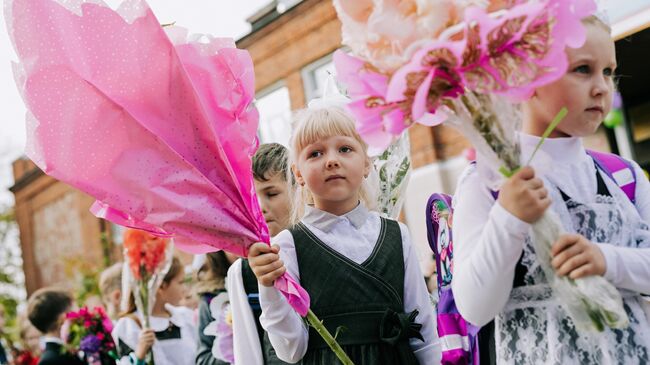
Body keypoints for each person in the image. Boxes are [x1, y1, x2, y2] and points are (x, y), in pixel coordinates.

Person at [452, 15, 650, 364]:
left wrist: (608, 260)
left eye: (608, 71)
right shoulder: (488, 181)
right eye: (583, 69)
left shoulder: (625, 176)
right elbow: (473, 306)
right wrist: (509, 217)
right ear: (527, 78)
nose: (602, 87)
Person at [248, 105, 440, 364]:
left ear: (366, 164)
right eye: (315, 153)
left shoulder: (397, 235)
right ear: (298, 174)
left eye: (345, 149)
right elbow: (290, 349)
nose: (331, 160)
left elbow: (424, 329)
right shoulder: (288, 245)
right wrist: (268, 286)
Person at [226, 142, 295, 365]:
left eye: (272, 194)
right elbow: (248, 352)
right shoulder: (242, 272)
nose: (261, 207)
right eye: (253, 199)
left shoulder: (321, 248)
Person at [113, 256, 197, 365]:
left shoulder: (185, 316)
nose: (184, 289)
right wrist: (139, 356)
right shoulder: (129, 326)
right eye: (180, 283)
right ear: (161, 286)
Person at [26, 287, 84, 365]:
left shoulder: (69, 350)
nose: (80, 314)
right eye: (75, 310)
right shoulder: (50, 361)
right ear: (63, 319)